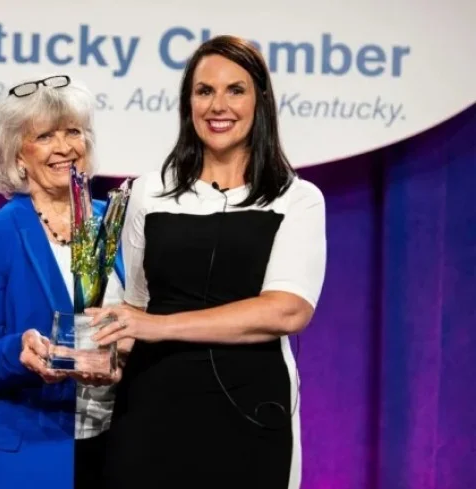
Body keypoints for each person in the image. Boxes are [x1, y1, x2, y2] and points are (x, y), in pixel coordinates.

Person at [88, 35, 327, 489]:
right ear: (188, 102)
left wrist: (159, 325)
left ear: (261, 101)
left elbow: (287, 310)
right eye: (204, 91)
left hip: (253, 409)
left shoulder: (297, 199)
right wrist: (89, 351)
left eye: (235, 90)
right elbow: (137, 305)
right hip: (153, 407)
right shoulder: (146, 192)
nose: (219, 106)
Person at [0, 74, 126, 489]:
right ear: (18, 155)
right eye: (45, 136)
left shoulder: (120, 223)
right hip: (22, 456)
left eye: (73, 132)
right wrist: (20, 352)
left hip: (115, 447)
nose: (64, 147)